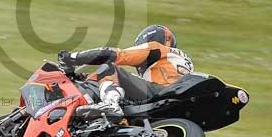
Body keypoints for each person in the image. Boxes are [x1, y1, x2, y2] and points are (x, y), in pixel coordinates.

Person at [58, 24, 193, 121]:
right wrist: (83, 76)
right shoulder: (180, 60)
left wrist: (73, 58)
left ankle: (111, 103)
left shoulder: (156, 48)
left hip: (161, 93)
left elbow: (113, 55)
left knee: (108, 67)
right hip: (179, 103)